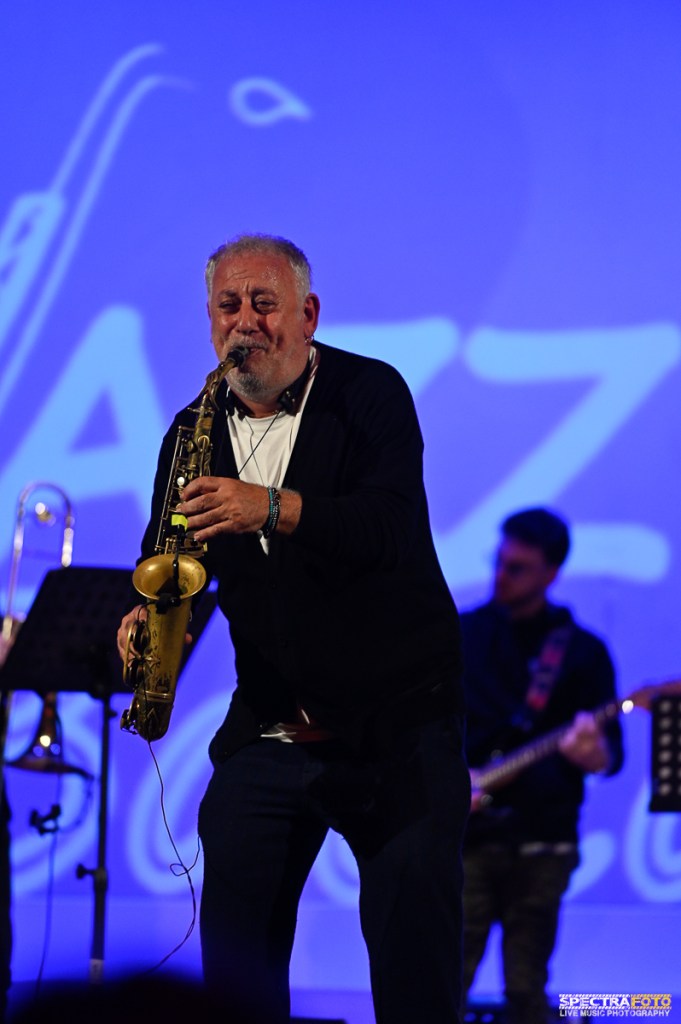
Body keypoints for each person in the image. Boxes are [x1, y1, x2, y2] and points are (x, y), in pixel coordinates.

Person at [117, 234, 469, 1024]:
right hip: (272, 727)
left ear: (307, 315)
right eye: (227, 306)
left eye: (263, 304)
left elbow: (389, 527)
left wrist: (269, 506)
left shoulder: (369, 392)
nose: (245, 322)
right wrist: (149, 615)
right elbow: (172, 559)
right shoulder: (190, 431)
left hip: (396, 727)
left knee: (415, 973)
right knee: (236, 972)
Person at [460, 508, 624, 1024]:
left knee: (526, 990)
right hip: (467, 835)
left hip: (544, 839)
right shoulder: (462, 635)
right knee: (444, 980)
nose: (501, 576)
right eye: (499, 562)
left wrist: (591, 753)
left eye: (518, 568)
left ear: (552, 572)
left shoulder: (582, 651)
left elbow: (611, 758)